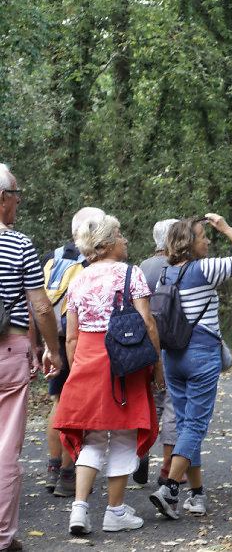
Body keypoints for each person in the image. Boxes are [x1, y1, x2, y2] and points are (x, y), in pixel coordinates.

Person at [53, 214, 163, 535]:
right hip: (124, 360)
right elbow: (147, 324)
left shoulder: (78, 279)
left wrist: (79, 373)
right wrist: (156, 367)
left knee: (94, 437)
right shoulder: (131, 274)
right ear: (105, 244)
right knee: (125, 434)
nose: (125, 239)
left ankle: (79, 509)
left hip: (87, 359)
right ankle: (114, 511)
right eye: (120, 234)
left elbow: (71, 336)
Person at [150, 213, 232, 519]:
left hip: (173, 357)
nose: (208, 240)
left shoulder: (165, 274)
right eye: (203, 236)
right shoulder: (205, 269)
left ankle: (196, 495)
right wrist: (225, 226)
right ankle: (171, 487)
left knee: (186, 426)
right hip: (201, 355)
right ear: (188, 243)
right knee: (195, 425)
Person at [0, 163, 63, 552]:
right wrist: (53, 350)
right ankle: (3, 538)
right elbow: (41, 308)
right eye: (16, 194)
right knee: (5, 448)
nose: (19, 201)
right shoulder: (18, 244)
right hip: (9, 350)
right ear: (1, 199)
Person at [41, 206, 104, 497]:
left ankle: (54, 468)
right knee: (78, 405)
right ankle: (69, 473)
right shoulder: (93, 261)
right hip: (80, 340)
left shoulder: (53, 257)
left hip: (54, 338)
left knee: (58, 400)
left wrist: (42, 344)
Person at [135, 218, 179, 487]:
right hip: (173, 343)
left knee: (150, 403)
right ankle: (168, 468)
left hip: (144, 345)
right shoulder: (179, 267)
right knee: (173, 405)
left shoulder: (141, 267)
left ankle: (140, 453)